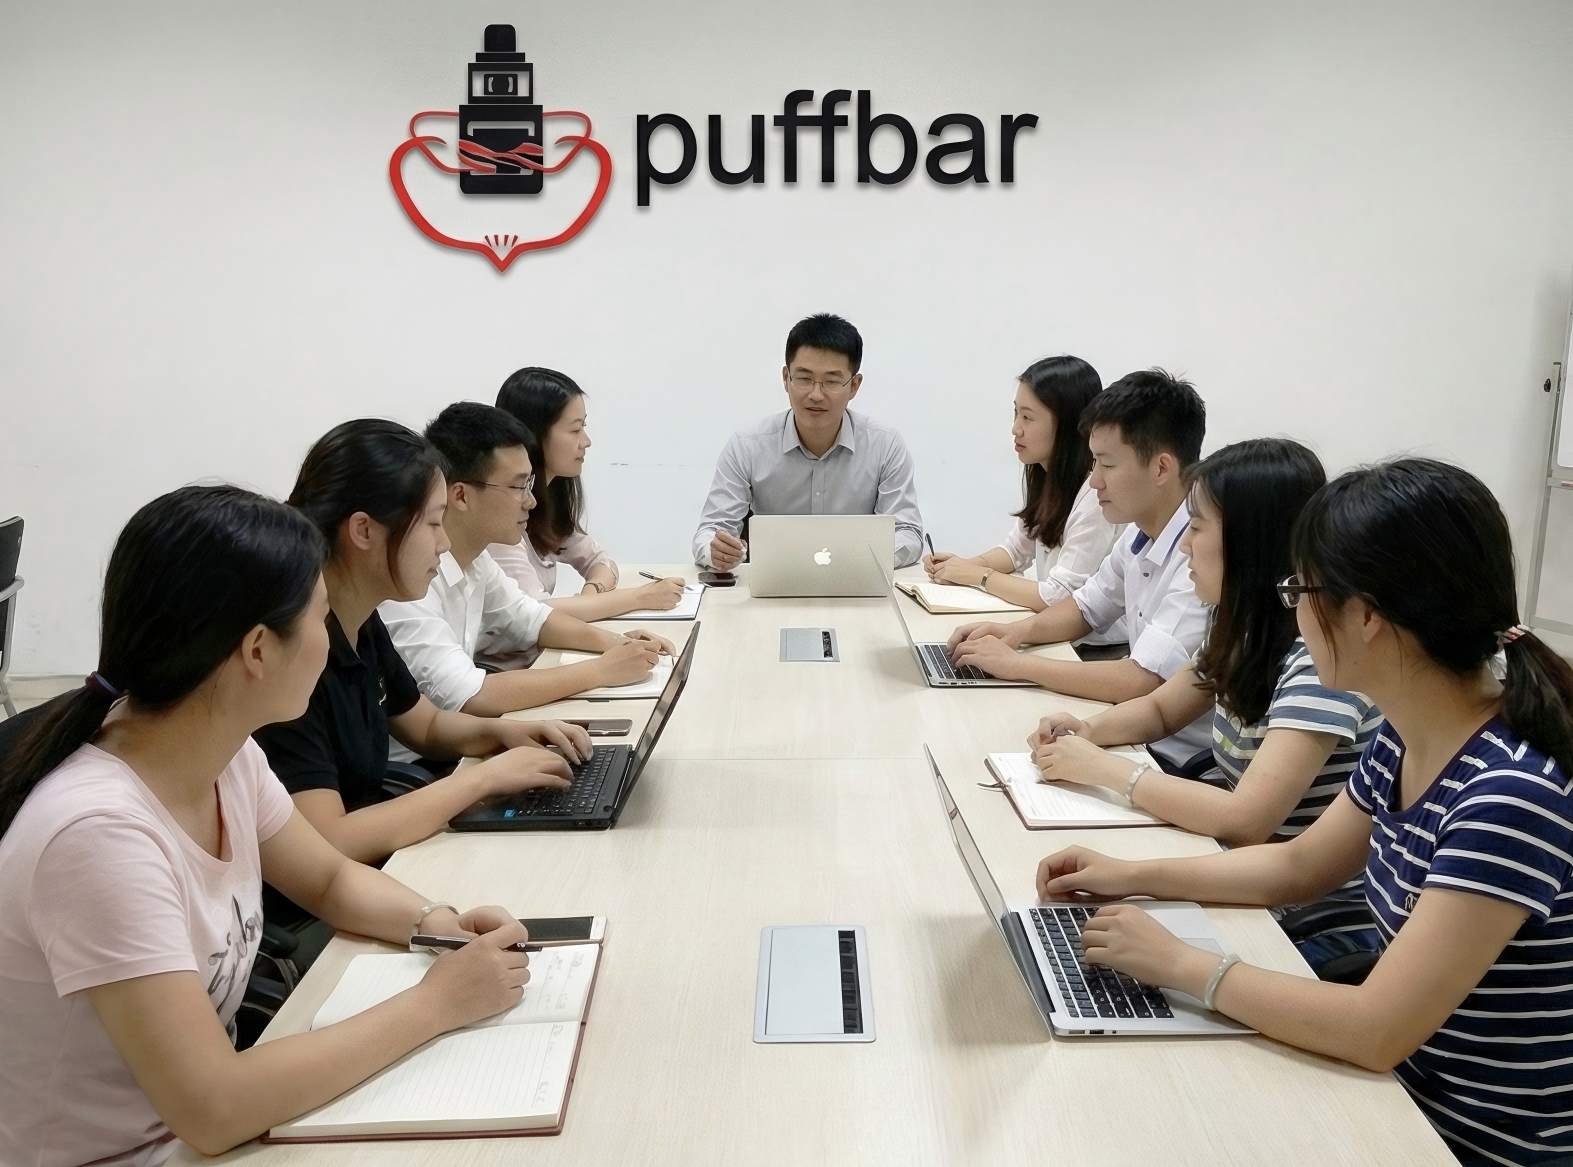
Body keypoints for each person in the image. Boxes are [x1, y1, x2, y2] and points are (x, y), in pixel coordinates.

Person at [1037, 459, 1573, 1167]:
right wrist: (1129, 874)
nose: (1292, 610)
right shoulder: (1407, 735)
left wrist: (1181, 963)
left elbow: (1375, 1029)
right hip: (1398, 1092)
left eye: (1301, 591)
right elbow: (1296, 864)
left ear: (1366, 616)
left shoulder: (1508, 793)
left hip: (1469, 1140)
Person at [0, 485, 541, 1165]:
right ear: (258, 649)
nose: (330, 639)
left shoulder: (224, 753)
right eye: (319, 617)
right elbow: (213, 1106)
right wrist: (435, 1005)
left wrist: (437, 924)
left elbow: (330, 878)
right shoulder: (98, 836)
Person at [1027, 439, 1382, 974]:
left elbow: (1247, 821)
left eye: (1196, 528)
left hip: (1297, 919)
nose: (1185, 547)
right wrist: (1086, 730)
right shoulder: (1239, 623)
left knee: (1093, 955)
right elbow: (1160, 710)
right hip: (1236, 873)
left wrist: (1107, 771)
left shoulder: (1321, 662)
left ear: (1249, 543)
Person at [253, 419, 591, 878]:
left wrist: (506, 734)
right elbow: (328, 841)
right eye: (433, 523)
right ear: (364, 530)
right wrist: (484, 778)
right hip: (336, 885)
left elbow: (426, 724)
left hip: (374, 861)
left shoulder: (360, 618)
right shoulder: (296, 651)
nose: (444, 542)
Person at [949, 369, 1212, 771]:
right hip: (1135, 732)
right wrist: (1015, 633)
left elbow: (1142, 680)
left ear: (1161, 469)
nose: (1094, 481)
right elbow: (1086, 605)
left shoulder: (1201, 554)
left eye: (1107, 465)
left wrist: (1016, 665)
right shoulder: (1139, 531)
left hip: (1178, 759)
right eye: (1093, 463)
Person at [382, 402, 675, 725]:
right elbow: (469, 696)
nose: (531, 501)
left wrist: (618, 644)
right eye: (519, 486)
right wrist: (601, 670)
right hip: (428, 750)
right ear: (461, 496)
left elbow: (532, 619)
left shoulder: (476, 560)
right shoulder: (408, 581)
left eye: (529, 484)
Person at [692, 312, 925, 570]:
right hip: (774, 583)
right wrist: (716, 551)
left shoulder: (884, 446)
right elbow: (711, 530)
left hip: (858, 582)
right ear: (786, 378)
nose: (816, 394)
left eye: (831, 382)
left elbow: (908, 533)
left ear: (854, 386)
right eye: (804, 379)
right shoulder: (747, 446)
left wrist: (862, 559)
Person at [923, 355, 1121, 616]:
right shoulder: (1048, 477)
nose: (1015, 429)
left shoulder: (1096, 495)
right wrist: (960, 567)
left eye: (1027, 417)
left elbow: (1059, 596)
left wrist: (977, 575)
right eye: (1016, 413)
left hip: (1092, 640)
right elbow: (1016, 550)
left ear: (1068, 424)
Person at [490, 366, 687, 619]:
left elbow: (600, 561)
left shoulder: (547, 502)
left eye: (583, 426)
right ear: (535, 435)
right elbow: (533, 612)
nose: (586, 441)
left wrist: (591, 596)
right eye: (575, 430)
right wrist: (640, 597)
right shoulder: (499, 515)